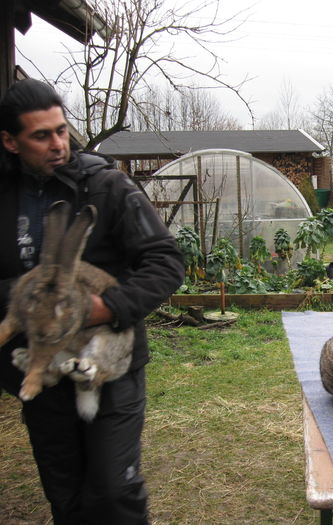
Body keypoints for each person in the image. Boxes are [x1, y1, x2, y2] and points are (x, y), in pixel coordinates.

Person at [0, 79, 184, 524]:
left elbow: (165, 261)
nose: (57, 144)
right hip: (39, 369)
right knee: (65, 492)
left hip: (107, 361)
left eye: (61, 130)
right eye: (41, 136)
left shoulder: (107, 186)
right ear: (9, 141)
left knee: (113, 488)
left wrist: (106, 308)